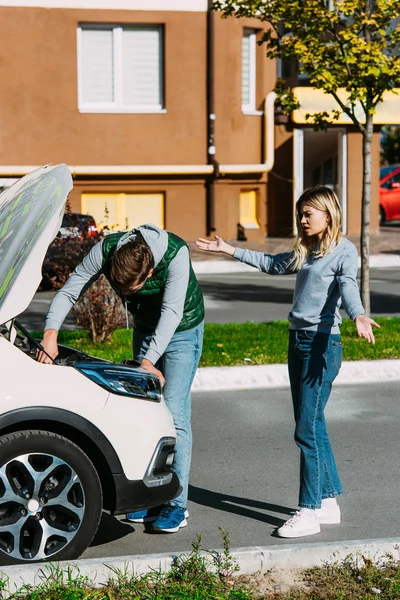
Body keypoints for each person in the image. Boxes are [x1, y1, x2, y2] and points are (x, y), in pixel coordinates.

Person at [196, 186, 379, 538]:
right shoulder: (307, 249)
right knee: (313, 423)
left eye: (309, 213)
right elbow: (271, 264)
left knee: (306, 430)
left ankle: (308, 510)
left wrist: (357, 314)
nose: (302, 219)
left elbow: (349, 286)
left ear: (328, 214)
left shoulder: (344, 251)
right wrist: (227, 249)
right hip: (298, 341)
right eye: (301, 213)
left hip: (322, 346)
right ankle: (328, 501)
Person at [38, 224, 204, 534]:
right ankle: (149, 493)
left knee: (175, 412)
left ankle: (176, 504)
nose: (125, 294)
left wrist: (147, 362)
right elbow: (71, 289)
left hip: (183, 329)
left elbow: (171, 312)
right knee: (142, 409)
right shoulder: (106, 250)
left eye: (133, 289)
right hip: (145, 328)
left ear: (151, 271)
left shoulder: (176, 253)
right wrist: (50, 335)